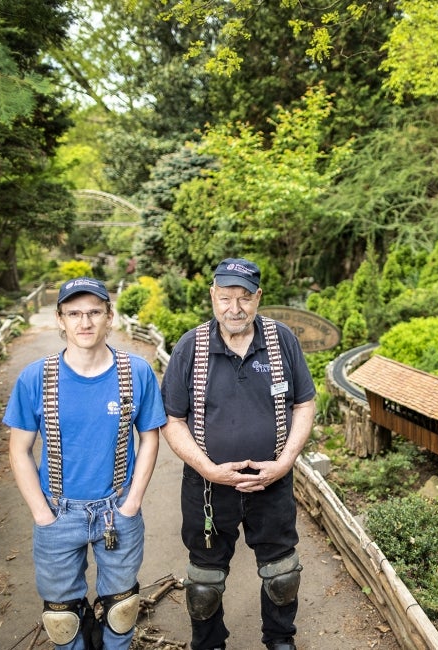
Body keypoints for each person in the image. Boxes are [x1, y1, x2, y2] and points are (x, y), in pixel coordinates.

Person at [161, 258, 316, 650]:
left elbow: (304, 405)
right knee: (204, 583)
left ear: (258, 298)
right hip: (208, 488)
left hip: (273, 482)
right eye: (226, 297)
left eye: (244, 297)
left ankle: (280, 640)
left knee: (282, 573)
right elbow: (172, 420)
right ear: (213, 297)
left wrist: (285, 462)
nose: (235, 307)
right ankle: (209, 644)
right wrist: (208, 469)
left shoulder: (283, 341)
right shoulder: (190, 347)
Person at [4, 277, 167, 650]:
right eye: (74, 313)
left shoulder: (135, 372)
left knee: (122, 607)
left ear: (110, 317)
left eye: (94, 312)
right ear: (60, 320)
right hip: (57, 513)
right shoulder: (36, 378)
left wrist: (133, 502)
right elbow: (19, 450)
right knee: (62, 619)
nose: (85, 322)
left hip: (117, 511)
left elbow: (150, 437)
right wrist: (41, 514)